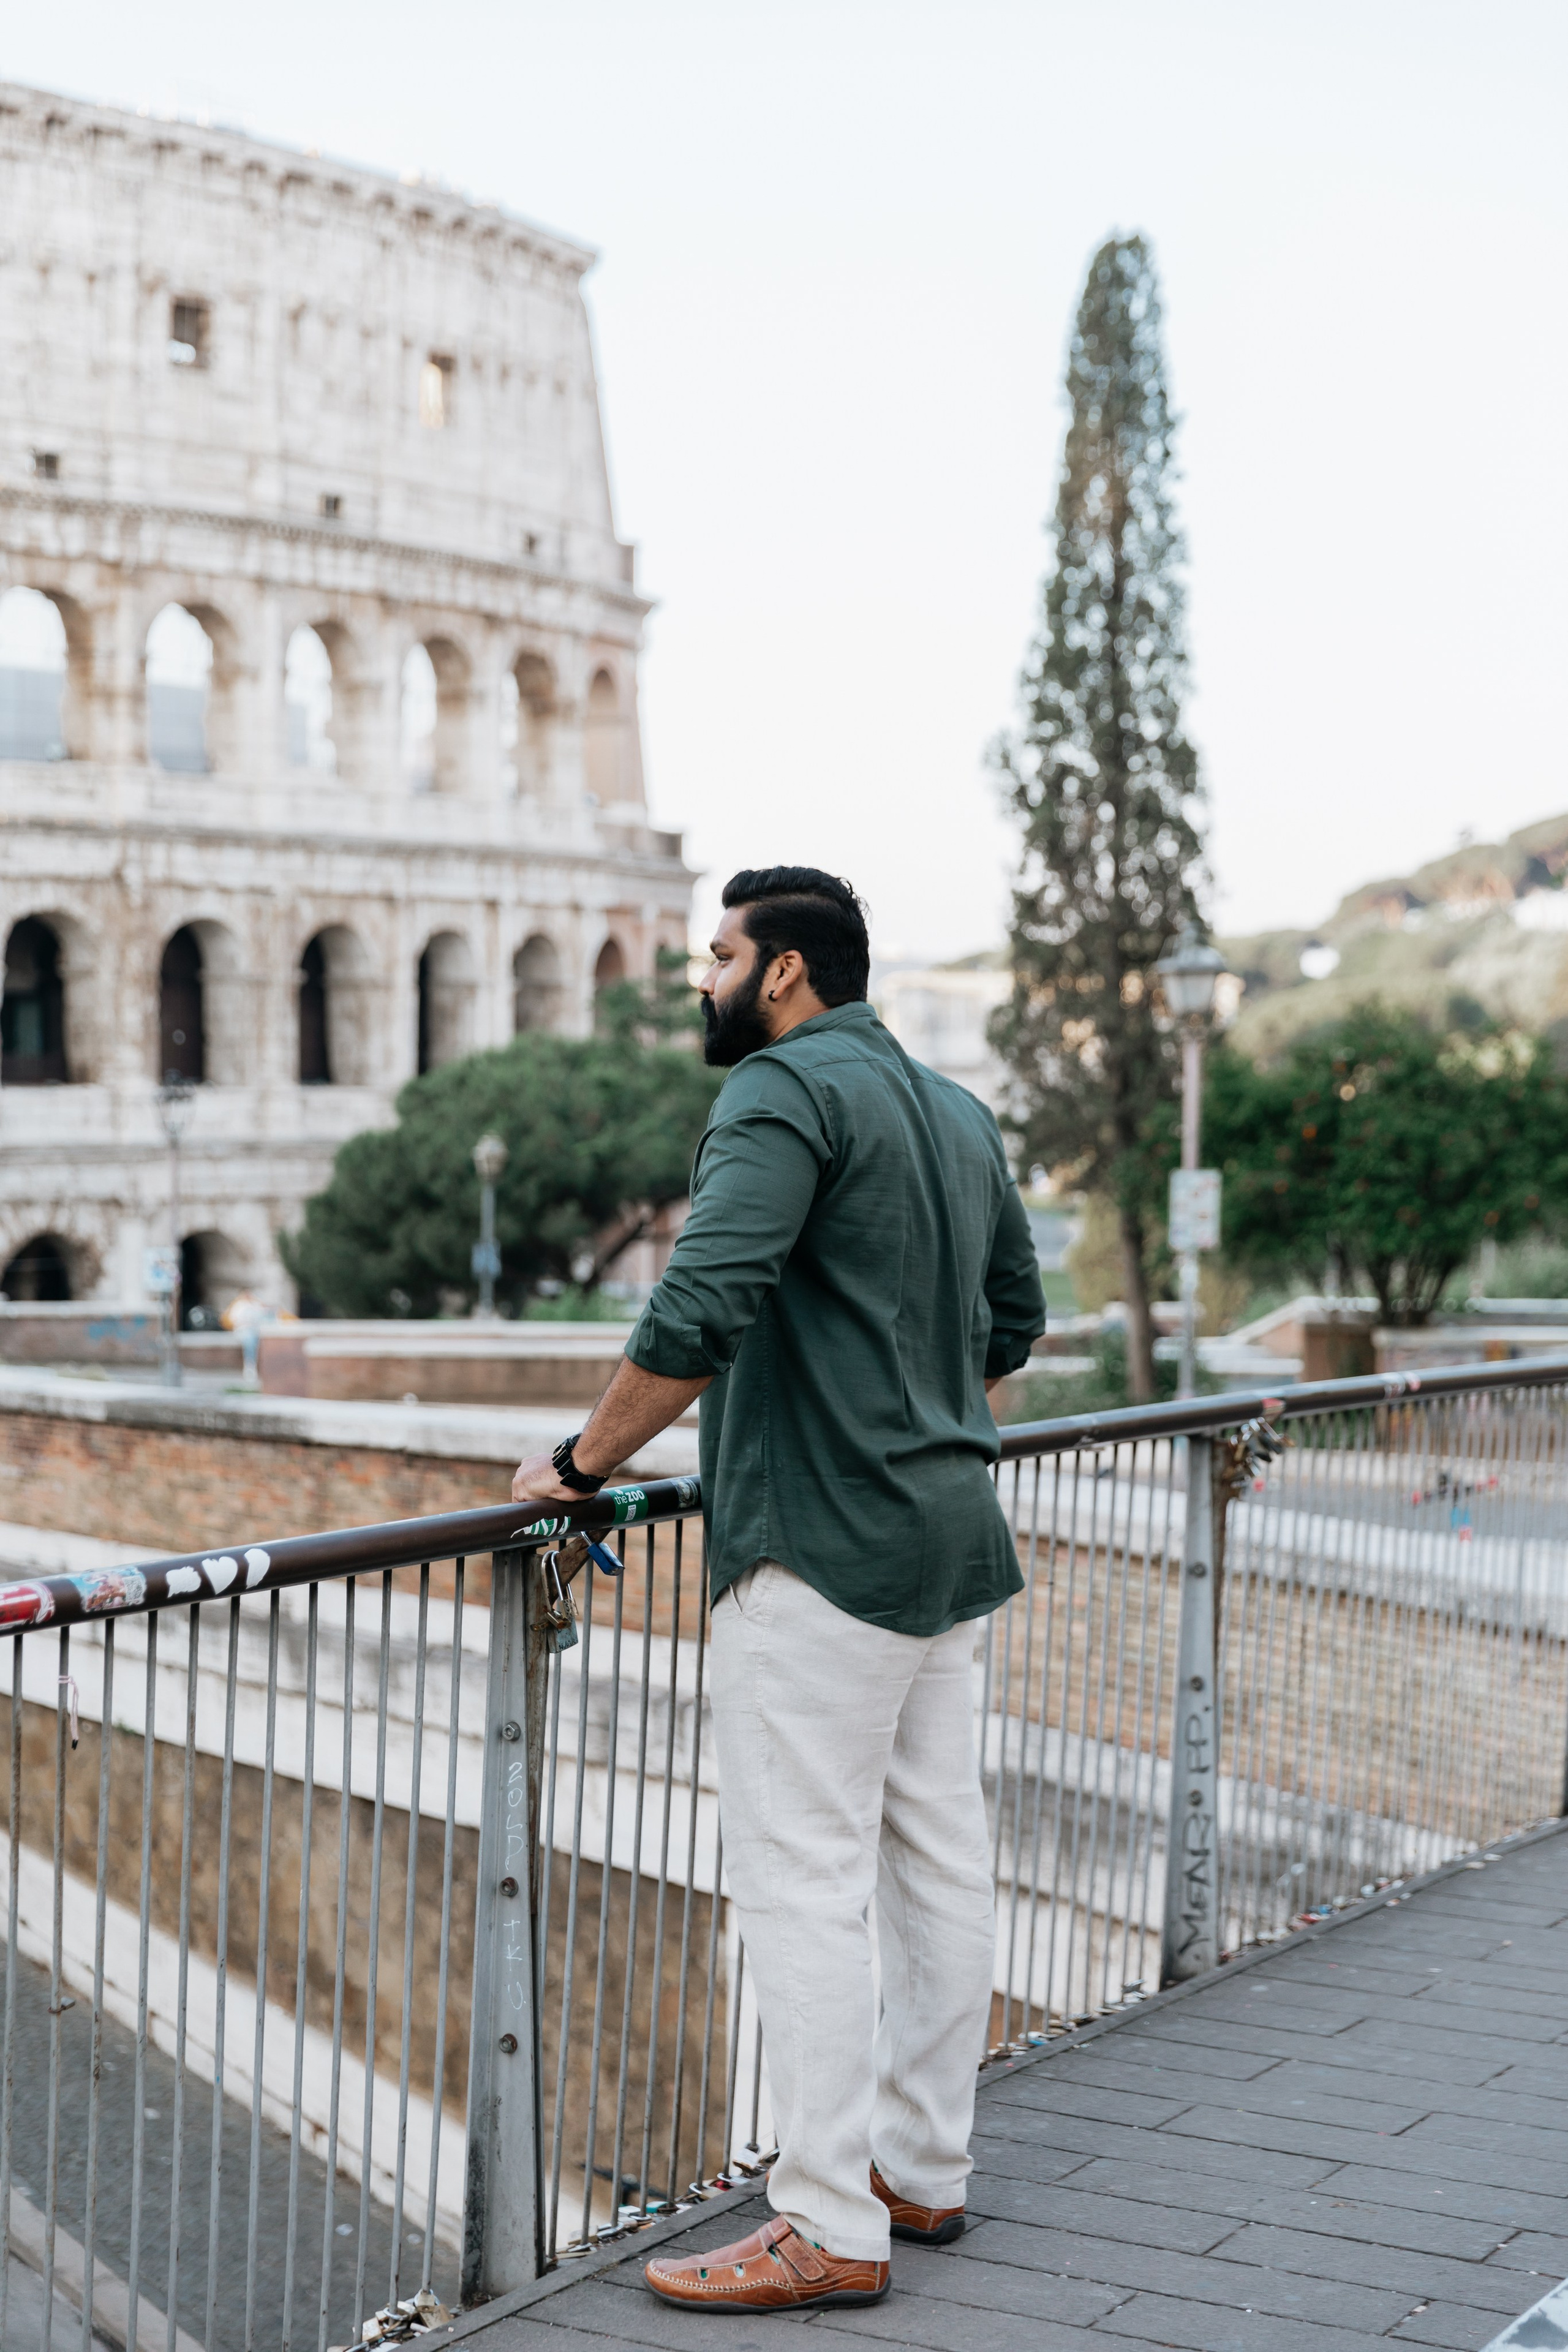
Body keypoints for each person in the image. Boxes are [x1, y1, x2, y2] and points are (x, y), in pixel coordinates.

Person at [511, 867, 1044, 2313]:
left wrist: (578, 1460)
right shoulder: (952, 1110)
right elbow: (1015, 1319)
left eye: (719, 954)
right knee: (935, 1855)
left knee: (802, 1883)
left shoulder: (777, 1095)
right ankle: (919, 2172)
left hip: (818, 1547)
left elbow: (701, 1300)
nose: (703, 977)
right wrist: (906, 1404)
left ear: (788, 973)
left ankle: (824, 2223)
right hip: (948, 1535)